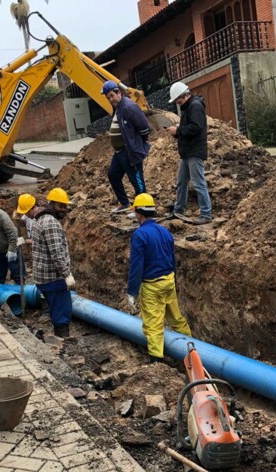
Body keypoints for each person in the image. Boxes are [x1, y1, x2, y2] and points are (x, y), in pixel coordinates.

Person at [126, 193, 192, 362]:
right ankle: (192, 348)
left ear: (139, 213)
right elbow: (172, 259)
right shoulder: (164, 231)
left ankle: (156, 361)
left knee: (153, 325)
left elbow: (136, 266)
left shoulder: (140, 235)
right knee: (177, 319)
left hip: (152, 286)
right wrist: (174, 280)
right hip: (168, 281)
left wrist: (132, 291)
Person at [101, 80, 150, 215]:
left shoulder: (129, 107)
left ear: (118, 93)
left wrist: (136, 144)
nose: (111, 99)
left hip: (130, 152)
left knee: (137, 181)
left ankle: (143, 209)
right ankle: (125, 203)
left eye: (112, 95)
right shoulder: (117, 108)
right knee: (113, 175)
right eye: (108, 97)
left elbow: (145, 128)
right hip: (119, 152)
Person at [31, 188, 75, 338]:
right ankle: (63, 341)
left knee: (56, 309)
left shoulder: (41, 218)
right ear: (52, 204)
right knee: (62, 311)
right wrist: (66, 274)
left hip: (43, 276)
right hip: (53, 278)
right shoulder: (51, 223)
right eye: (61, 206)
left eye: (65, 206)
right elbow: (56, 252)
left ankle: (59, 338)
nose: (64, 210)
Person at [167, 81, 212, 225]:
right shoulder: (189, 107)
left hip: (194, 151)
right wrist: (179, 131)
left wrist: (178, 131)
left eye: (178, 100)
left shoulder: (195, 106)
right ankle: (178, 210)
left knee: (198, 183)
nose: (178, 103)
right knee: (181, 182)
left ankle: (206, 214)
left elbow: (196, 127)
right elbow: (190, 127)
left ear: (185, 95)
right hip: (187, 152)